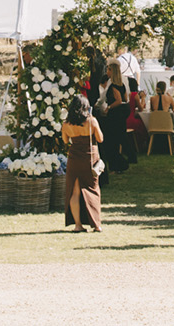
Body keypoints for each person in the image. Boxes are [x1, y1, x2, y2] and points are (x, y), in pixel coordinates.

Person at [61, 95, 104, 232]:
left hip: (74, 158)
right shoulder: (91, 121)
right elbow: (100, 139)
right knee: (93, 189)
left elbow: (65, 141)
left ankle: (78, 225)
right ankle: (96, 224)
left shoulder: (66, 124)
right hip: (89, 157)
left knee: (75, 191)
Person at [98, 62, 131, 179]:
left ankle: (118, 165)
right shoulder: (121, 85)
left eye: (108, 70)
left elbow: (118, 100)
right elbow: (126, 99)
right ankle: (118, 165)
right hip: (120, 117)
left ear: (112, 71)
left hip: (114, 117)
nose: (107, 72)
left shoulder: (113, 86)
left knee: (111, 142)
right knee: (116, 141)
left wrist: (109, 107)